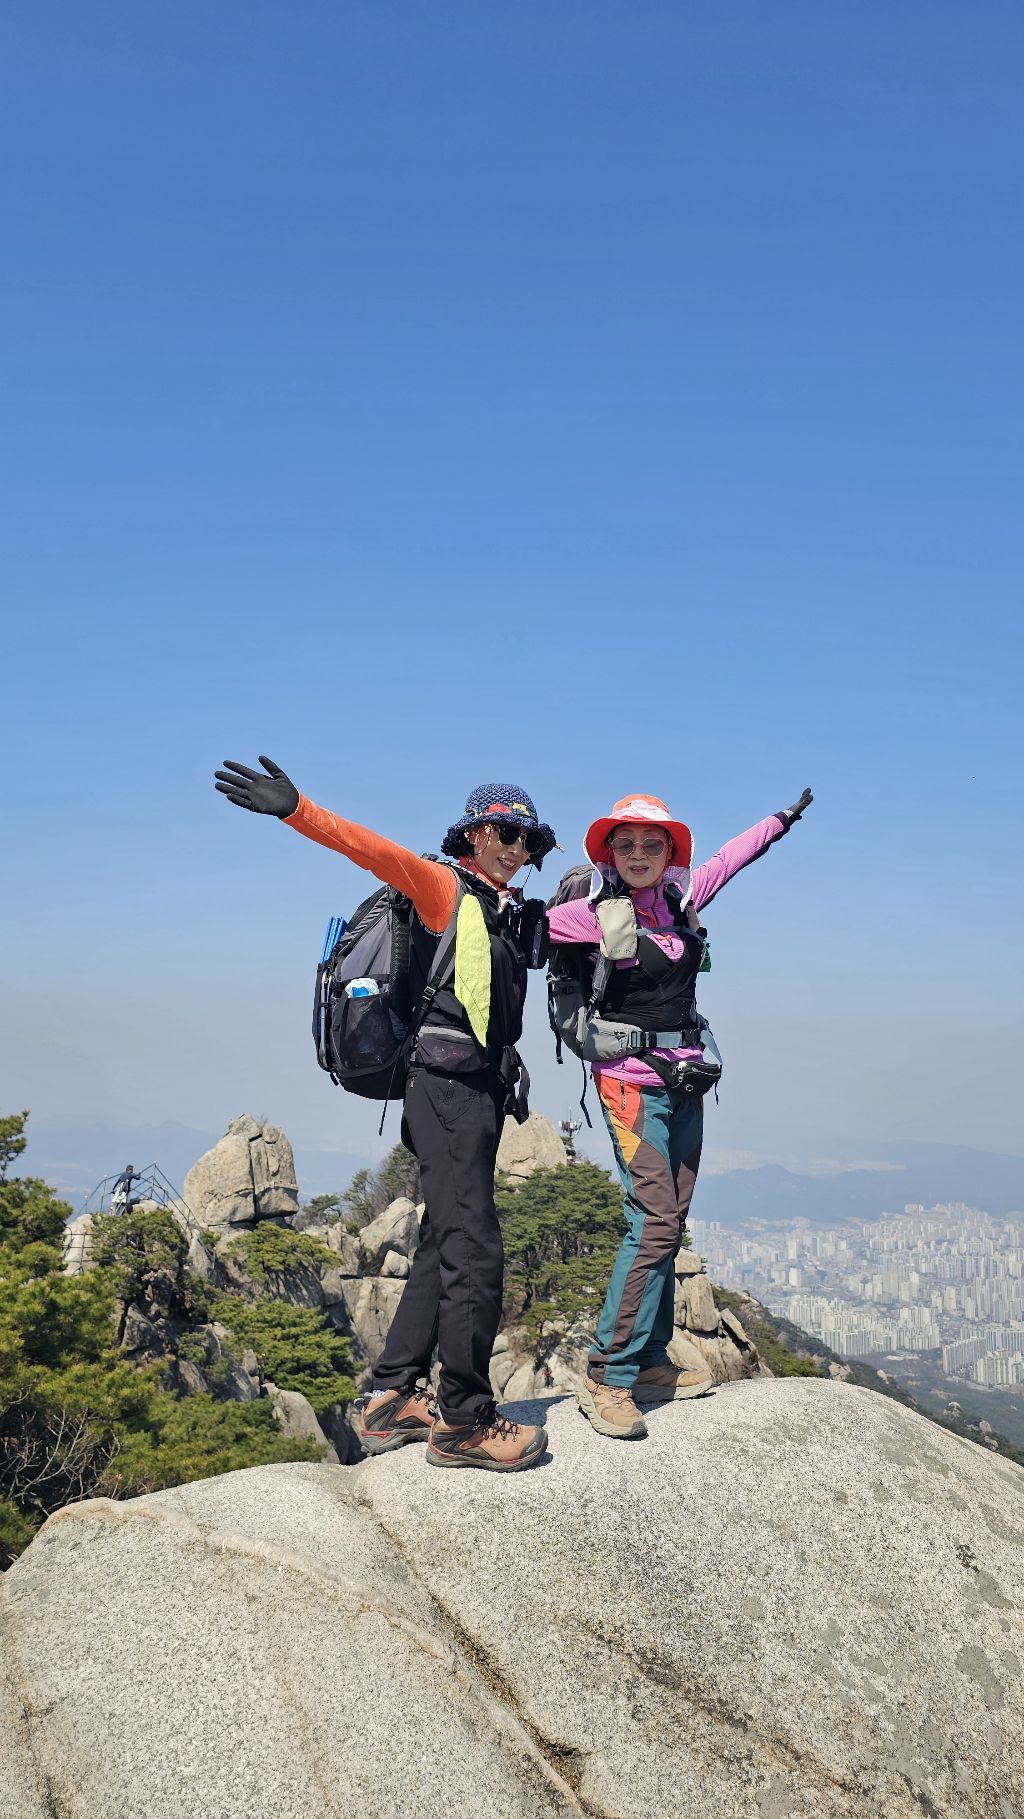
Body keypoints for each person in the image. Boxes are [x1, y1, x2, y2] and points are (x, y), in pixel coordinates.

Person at [214, 755, 558, 1473]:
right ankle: (463, 1419)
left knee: (441, 1240)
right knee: (474, 1249)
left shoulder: (505, 910)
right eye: (504, 832)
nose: (516, 847)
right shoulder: (444, 887)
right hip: (447, 1090)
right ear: (473, 835)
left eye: (527, 839)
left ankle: (392, 1392)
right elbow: (374, 850)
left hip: (472, 1092)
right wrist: (298, 810)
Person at [546, 787, 813, 1439]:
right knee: (655, 1220)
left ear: (669, 852)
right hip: (630, 1085)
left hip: (686, 1080)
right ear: (610, 852)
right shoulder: (593, 912)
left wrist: (778, 821)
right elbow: (519, 927)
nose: (638, 853)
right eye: (626, 843)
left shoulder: (680, 899)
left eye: (652, 843)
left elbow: (729, 860)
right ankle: (608, 1373)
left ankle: (649, 1362)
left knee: (670, 1221)